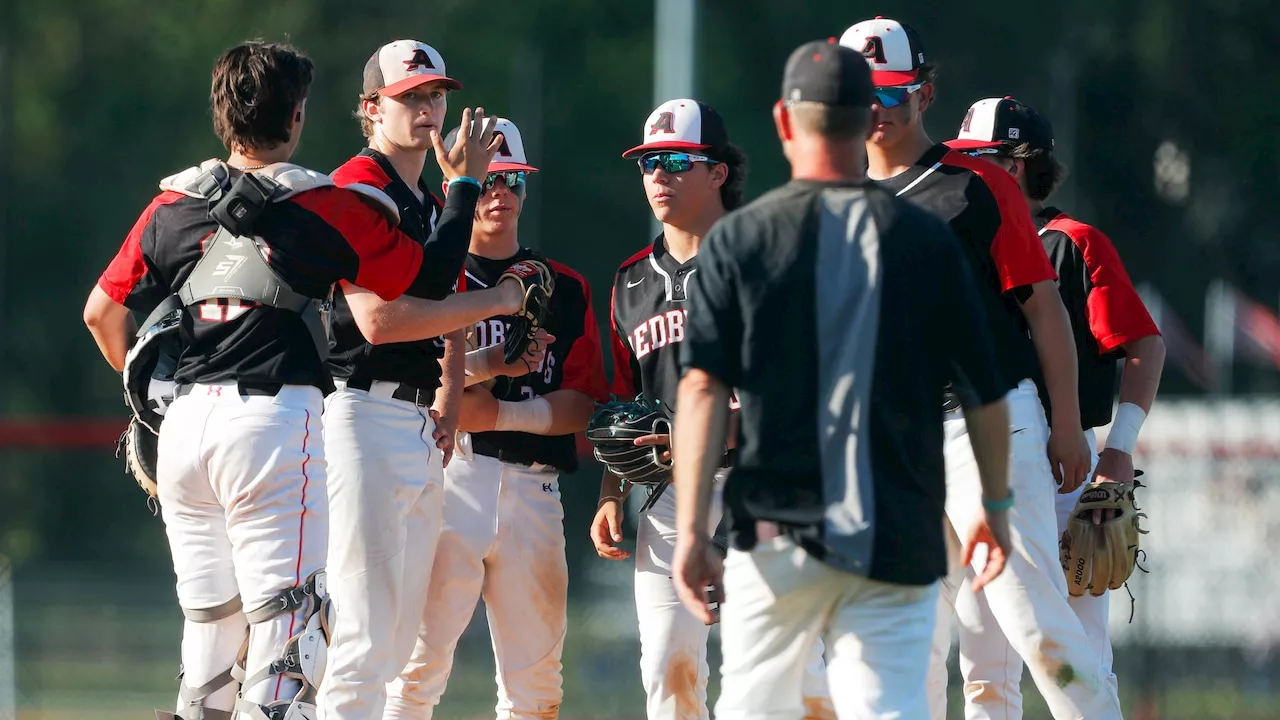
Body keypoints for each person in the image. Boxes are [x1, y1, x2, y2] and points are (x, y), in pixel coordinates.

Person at [81, 41, 526, 720]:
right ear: (295, 117)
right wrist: (465, 187)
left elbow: (102, 314)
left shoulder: (170, 206)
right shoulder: (319, 203)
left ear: (223, 115)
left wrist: (152, 405)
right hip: (272, 424)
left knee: (208, 652)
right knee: (286, 643)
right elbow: (424, 280)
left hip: (186, 431)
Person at [670, 39, 1014, 720]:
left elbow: (702, 390)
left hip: (773, 533)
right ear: (866, 121)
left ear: (782, 121)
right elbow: (986, 392)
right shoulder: (926, 239)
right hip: (895, 532)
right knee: (890, 708)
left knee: (752, 710)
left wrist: (688, 533)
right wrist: (997, 509)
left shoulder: (740, 240)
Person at [839, 16, 1123, 720]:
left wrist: (1065, 425)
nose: (876, 107)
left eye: (892, 91)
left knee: (1033, 621)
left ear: (925, 93)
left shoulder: (975, 185)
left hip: (984, 426)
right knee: (906, 637)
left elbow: (1044, 311)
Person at [587, 98, 832, 720]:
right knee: (668, 672)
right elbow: (626, 405)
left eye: (675, 160)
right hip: (670, 499)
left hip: (768, 487)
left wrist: (713, 434)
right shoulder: (630, 281)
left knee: (792, 676)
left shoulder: (768, 255)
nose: (658, 176)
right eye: (648, 163)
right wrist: (611, 492)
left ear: (719, 171)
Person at [318, 39, 532, 720]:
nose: (428, 108)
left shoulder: (416, 194)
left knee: (398, 642)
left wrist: (445, 396)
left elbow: (434, 296)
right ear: (370, 108)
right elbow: (383, 320)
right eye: (409, 96)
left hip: (410, 423)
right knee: (364, 637)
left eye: (435, 94)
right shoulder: (360, 183)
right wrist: (498, 301)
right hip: (364, 413)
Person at [382, 117, 609, 719]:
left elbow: (584, 404)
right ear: (463, 182)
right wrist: (477, 373)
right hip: (448, 477)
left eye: (513, 179)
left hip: (533, 487)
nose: (500, 193)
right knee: (415, 669)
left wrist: (502, 410)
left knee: (536, 687)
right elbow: (404, 374)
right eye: (488, 180)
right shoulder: (428, 274)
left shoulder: (563, 286)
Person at [946, 95, 1166, 712]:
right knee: (985, 660)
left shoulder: (1071, 241)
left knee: (1076, 648)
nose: (961, 171)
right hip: (979, 457)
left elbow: (1144, 344)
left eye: (978, 159)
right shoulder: (961, 241)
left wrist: (1118, 450)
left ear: (1016, 166)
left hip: (1063, 465)